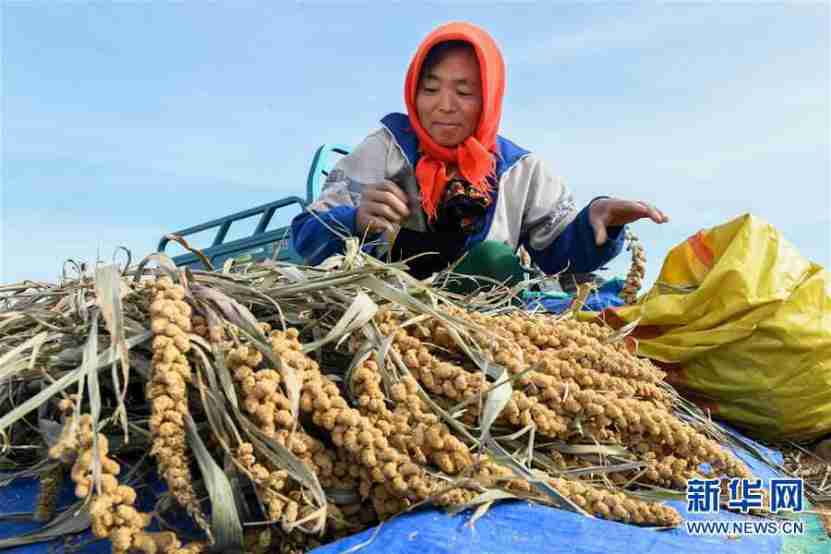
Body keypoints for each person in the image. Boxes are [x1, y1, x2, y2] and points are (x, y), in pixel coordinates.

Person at [291, 22, 668, 288]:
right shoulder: (385, 148)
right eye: (431, 89)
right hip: (384, 306)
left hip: (476, 321)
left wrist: (598, 220)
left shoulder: (520, 170)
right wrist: (356, 219)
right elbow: (306, 237)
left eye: (465, 92)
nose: (444, 106)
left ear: (489, 97)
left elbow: (559, 258)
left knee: (494, 260)